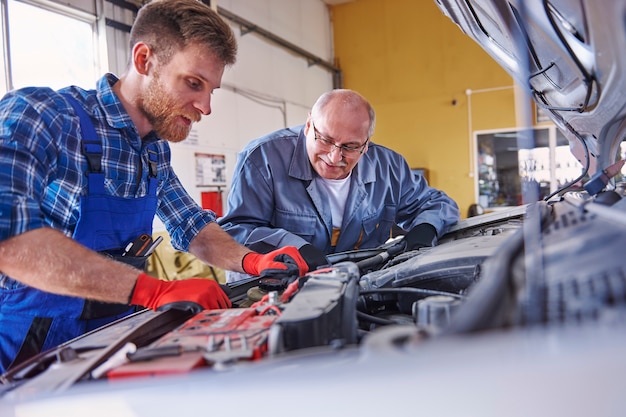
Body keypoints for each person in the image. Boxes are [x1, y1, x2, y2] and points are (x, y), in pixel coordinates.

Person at [0, 0, 310, 373]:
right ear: (144, 59)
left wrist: (251, 260)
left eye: (211, 90)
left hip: (112, 341)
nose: (206, 107)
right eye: (193, 83)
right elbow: (10, 242)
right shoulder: (42, 116)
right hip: (24, 355)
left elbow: (189, 224)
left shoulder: (155, 150)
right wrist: (154, 290)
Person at [219, 89, 460, 282]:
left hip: (357, 287)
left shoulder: (389, 168)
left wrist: (425, 228)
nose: (335, 157)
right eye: (325, 140)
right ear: (308, 126)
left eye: (350, 146)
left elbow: (438, 204)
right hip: (276, 290)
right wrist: (290, 245)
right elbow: (236, 231)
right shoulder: (262, 159)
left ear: (366, 144)